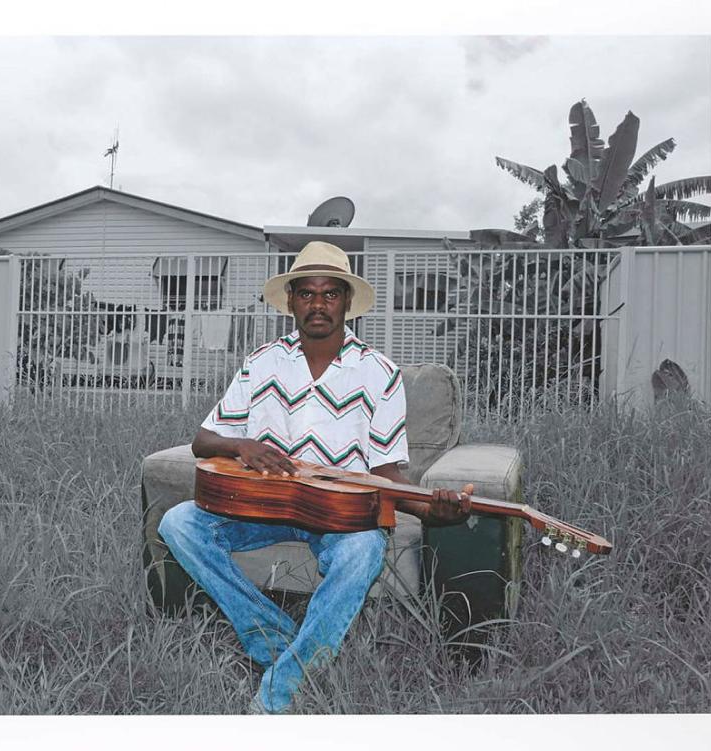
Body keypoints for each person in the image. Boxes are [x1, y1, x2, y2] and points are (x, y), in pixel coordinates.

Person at [158, 241, 474, 714]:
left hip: (337, 515)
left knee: (366, 547)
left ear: (347, 301)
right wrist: (241, 445)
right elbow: (205, 440)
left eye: (330, 294)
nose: (318, 303)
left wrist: (435, 510)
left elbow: (387, 474)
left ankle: (282, 689)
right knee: (178, 522)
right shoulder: (261, 361)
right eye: (307, 293)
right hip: (261, 509)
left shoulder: (379, 373)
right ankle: (272, 638)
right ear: (291, 302)